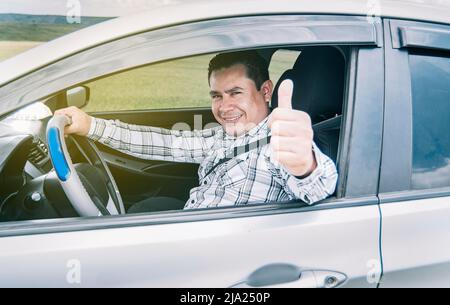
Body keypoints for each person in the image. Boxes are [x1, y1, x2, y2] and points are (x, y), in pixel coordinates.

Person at [55, 51, 338, 213]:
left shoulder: (280, 143)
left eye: (235, 93)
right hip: (190, 229)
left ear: (266, 91)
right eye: (217, 95)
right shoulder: (227, 136)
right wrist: (91, 125)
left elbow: (318, 187)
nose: (224, 107)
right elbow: (165, 143)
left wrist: (306, 166)